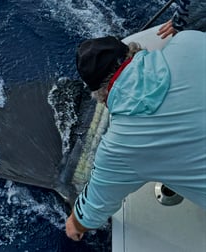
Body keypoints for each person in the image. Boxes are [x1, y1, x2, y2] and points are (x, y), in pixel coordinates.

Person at [65, 31, 206, 241]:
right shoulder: (189, 40)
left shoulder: (118, 149)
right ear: (133, 50)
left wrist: (74, 224)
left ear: (100, 97)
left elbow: (86, 218)